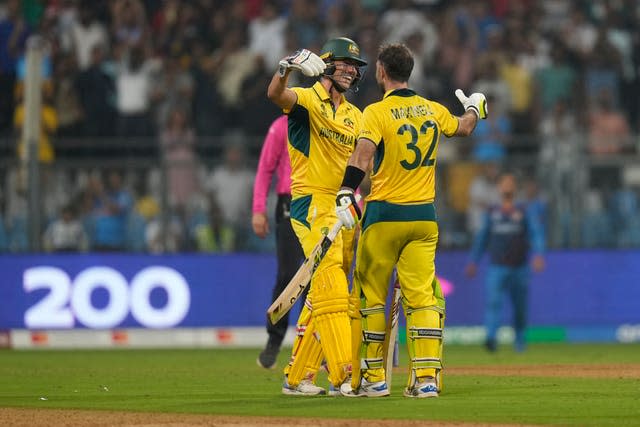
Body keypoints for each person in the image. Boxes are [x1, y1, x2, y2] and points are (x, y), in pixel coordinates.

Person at [334, 43, 487, 398]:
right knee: (422, 297)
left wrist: (346, 190)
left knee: (371, 296)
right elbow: (464, 127)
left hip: (385, 215)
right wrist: (475, 108)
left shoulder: (376, 112)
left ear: (382, 72)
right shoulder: (432, 109)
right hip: (424, 218)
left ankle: (374, 380)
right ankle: (427, 380)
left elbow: (364, 153)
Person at [267, 36, 366, 396]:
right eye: (346, 63)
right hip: (310, 204)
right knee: (331, 284)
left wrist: (359, 199)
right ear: (327, 64)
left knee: (324, 295)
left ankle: (299, 377)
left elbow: (360, 163)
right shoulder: (307, 99)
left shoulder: (356, 116)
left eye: (356, 67)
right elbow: (277, 95)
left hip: (343, 208)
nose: (352, 71)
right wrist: (286, 67)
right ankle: (344, 374)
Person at [464, 173, 545, 353]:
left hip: (520, 267)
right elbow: (482, 239)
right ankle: (491, 339)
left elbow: (535, 233)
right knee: (493, 303)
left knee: (520, 306)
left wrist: (539, 254)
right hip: (497, 267)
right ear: (499, 188)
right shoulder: (492, 213)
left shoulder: (524, 211)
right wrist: (473, 261)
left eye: (511, 183)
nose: (507, 186)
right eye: (504, 183)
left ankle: (520, 341)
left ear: (515, 188)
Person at [252, 115, 305, 369]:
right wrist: (258, 209)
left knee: (317, 281)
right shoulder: (281, 126)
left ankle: (313, 345)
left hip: (320, 202)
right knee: (288, 277)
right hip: (289, 204)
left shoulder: (327, 122)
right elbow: (265, 168)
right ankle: (274, 340)